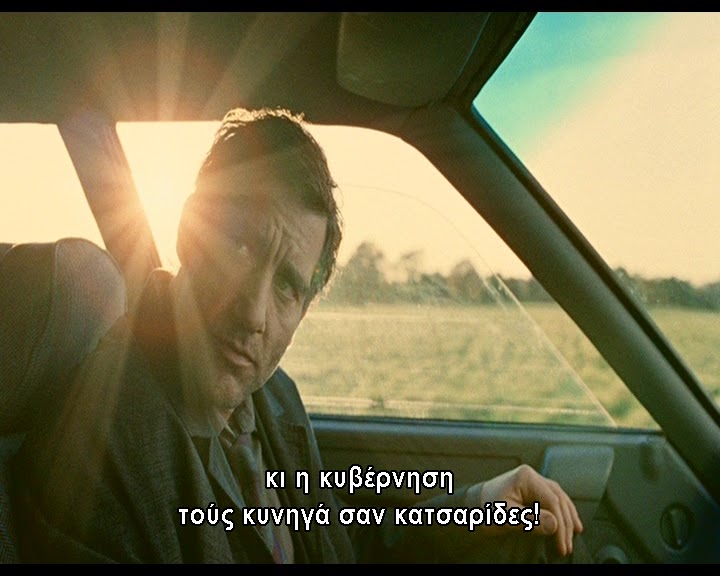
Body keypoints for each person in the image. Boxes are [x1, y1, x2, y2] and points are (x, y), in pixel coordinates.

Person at [12, 107, 585, 563]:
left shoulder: (273, 397)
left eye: (287, 285)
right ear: (189, 231)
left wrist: (479, 508)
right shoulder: (99, 448)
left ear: (306, 308)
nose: (253, 313)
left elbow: (336, 543)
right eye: (240, 248)